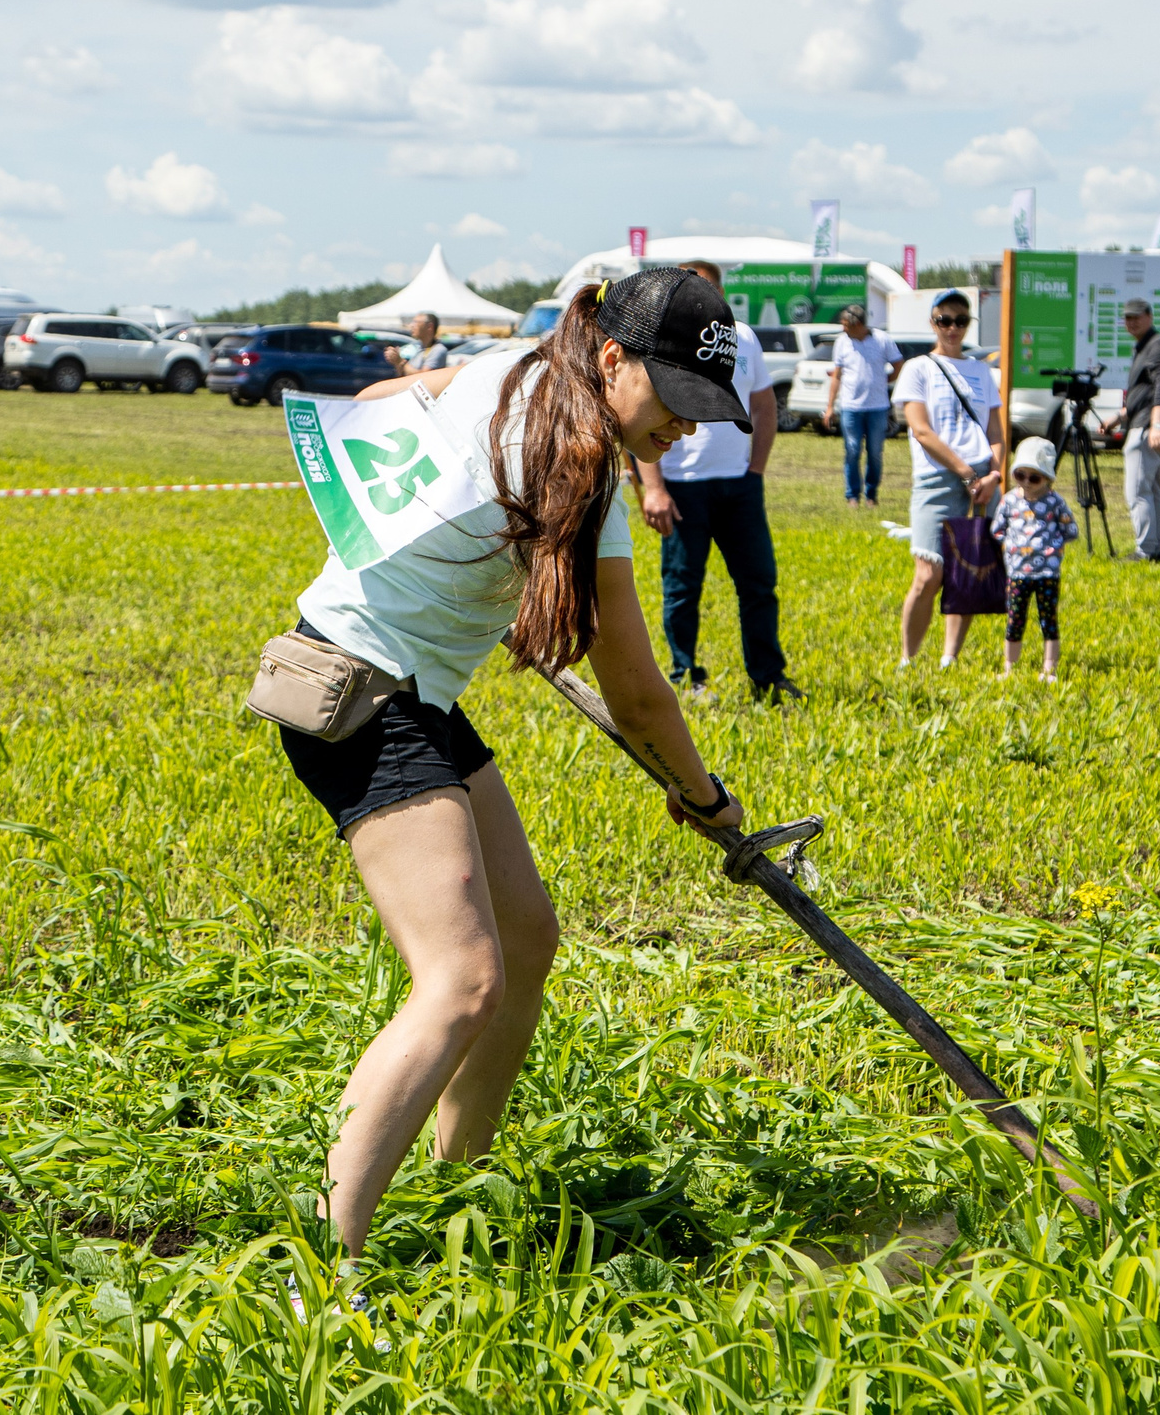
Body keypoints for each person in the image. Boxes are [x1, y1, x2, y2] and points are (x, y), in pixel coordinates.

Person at [278, 268, 752, 1256]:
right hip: (356, 691)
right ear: (612, 358)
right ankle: (320, 1267)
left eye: (706, 409)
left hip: (409, 686)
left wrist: (440, 565)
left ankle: (461, 1190)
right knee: (460, 980)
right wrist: (702, 797)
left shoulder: (508, 370)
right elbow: (635, 690)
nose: (687, 430)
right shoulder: (586, 482)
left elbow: (364, 413)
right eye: (676, 401)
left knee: (526, 937)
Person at [629, 259, 802, 704]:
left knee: (758, 582)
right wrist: (655, 488)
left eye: (710, 288)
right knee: (684, 585)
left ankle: (768, 676)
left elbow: (764, 406)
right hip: (683, 486)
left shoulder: (744, 338)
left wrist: (757, 469)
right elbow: (639, 420)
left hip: (739, 485)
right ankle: (687, 675)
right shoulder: (661, 337)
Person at [893, 291, 1004, 669]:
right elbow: (921, 430)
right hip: (937, 480)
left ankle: (949, 658)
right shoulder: (918, 368)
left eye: (960, 321)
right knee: (929, 573)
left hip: (982, 487)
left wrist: (994, 475)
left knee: (965, 573)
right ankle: (908, 659)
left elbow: (997, 434)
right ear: (932, 322)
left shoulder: (983, 372)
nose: (952, 328)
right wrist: (967, 472)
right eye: (945, 320)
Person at [991, 437, 1079, 682]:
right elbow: (998, 529)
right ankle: (1009, 666)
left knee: (1048, 619)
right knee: (1015, 619)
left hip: (1047, 574)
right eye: (1021, 475)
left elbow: (1071, 530)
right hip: (1018, 572)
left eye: (1035, 478)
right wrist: (1011, 545)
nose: (1027, 483)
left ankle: (1049, 668)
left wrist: (1052, 549)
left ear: (1048, 478)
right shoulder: (1009, 500)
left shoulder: (1055, 502)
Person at [1101, 296, 1160, 563]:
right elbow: (1143, 395)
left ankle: (1146, 551)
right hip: (1146, 421)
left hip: (1149, 426)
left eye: (1136, 316)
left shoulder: (1158, 348)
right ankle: (1155, 549)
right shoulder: (1145, 347)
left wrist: (1156, 425)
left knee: (1137, 491)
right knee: (1152, 488)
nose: (1131, 322)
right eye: (1127, 317)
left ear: (1150, 316)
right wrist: (1118, 417)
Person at [822, 304, 901, 507]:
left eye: (846, 325)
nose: (843, 328)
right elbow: (837, 376)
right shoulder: (842, 342)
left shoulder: (882, 340)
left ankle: (871, 494)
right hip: (850, 407)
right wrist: (830, 406)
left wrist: (884, 380)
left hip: (877, 407)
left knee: (875, 452)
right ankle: (852, 495)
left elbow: (898, 365)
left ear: (858, 324)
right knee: (853, 450)